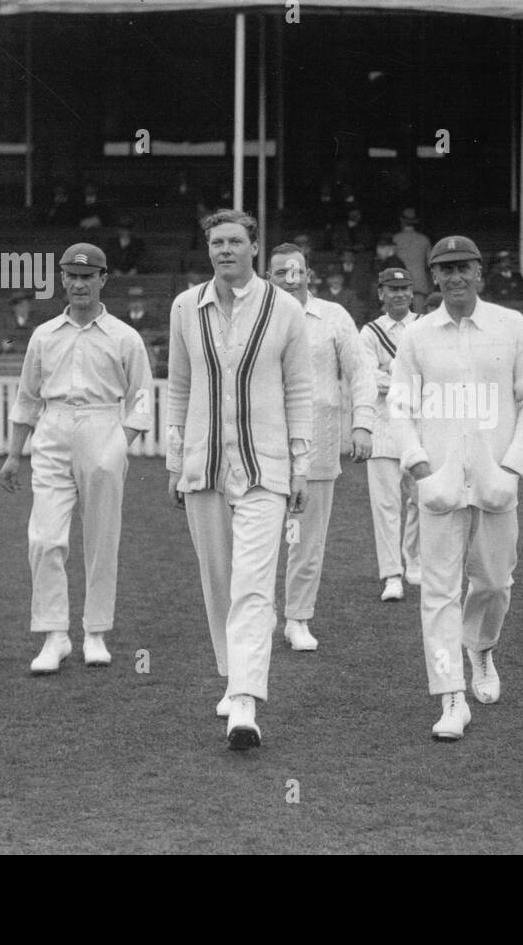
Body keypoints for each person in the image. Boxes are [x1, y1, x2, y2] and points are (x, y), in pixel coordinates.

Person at [166, 210, 313, 750]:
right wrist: (174, 461)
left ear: (255, 247)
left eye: (235, 241)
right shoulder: (187, 306)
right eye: (215, 243)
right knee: (218, 580)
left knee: (253, 584)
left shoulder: (284, 308)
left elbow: (300, 390)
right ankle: (233, 676)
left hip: (265, 467)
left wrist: (300, 466)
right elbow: (178, 388)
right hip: (204, 464)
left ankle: (245, 702)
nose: (224, 250)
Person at [390, 235, 523, 741]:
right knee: (437, 592)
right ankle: (450, 695)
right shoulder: (416, 337)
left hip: (496, 481)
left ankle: (481, 648)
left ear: (480, 273)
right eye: (446, 269)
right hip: (438, 487)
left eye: (464, 267)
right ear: (433, 278)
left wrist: (513, 467)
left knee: (495, 582)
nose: (455, 277)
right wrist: (420, 470)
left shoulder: (510, 326)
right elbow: (400, 407)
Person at [0, 243, 154, 675]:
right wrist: (14, 454)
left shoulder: (125, 337)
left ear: (104, 279)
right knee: (44, 537)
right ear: (62, 280)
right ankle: (54, 634)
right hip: (52, 430)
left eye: (89, 276)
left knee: (102, 537)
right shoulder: (44, 335)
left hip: (104, 427)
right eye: (73, 276)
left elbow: (141, 400)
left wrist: (118, 442)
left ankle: (96, 632)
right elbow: (27, 398)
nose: (80, 284)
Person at [268, 243, 376, 650]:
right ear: (269, 278)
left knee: (305, 540)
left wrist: (363, 424)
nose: (290, 279)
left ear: (308, 274)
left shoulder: (334, 317)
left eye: (297, 272)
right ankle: (261, 615)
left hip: (318, 445)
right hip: (262, 445)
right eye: (281, 273)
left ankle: (297, 618)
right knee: (257, 538)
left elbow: (360, 373)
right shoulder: (253, 317)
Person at [361, 267, 421, 601]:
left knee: (421, 500)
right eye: (391, 289)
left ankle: (413, 558)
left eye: (404, 289)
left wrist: (390, 374)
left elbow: (432, 374)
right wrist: (405, 380)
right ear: (381, 293)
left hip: (419, 427)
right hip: (382, 429)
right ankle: (391, 574)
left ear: (412, 293)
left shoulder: (425, 326)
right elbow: (368, 377)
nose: (398, 294)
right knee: (385, 506)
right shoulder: (370, 332)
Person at [392, 208, 432, 313]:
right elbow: (430, 263)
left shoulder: (395, 239)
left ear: (402, 221)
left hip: (399, 282)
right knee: (420, 318)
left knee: (399, 318)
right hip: (419, 283)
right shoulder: (424, 239)